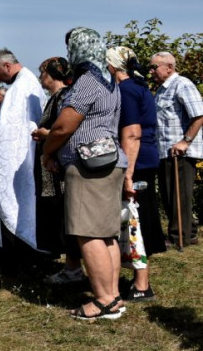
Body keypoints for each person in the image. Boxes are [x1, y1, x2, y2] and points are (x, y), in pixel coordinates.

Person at [44, 27, 127, 320]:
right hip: (110, 162)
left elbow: (64, 126)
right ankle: (113, 296)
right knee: (106, 234)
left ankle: (103, 300)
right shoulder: (109, 80)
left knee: (87, 233)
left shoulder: (87, 82)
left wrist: (47, 151)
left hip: (89, 166)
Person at [107, 46, 165, 301]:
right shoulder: (140, 86)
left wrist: (128, 174)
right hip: (146, 158)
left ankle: (142, 285)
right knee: (138, 218)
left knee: (135, 221)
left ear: (112, 66)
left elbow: (132, 133)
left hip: (137, 161)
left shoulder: (127, 90)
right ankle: (138, 279)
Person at [0, 48, 46, 272]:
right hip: (26, 155)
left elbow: (10, 129)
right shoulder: (25, 82)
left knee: (20, 204)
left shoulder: (21, 86)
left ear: (7, 66)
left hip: (20, 159)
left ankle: (23, 253)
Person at [30, 57, 80, 280]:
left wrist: (44, 135)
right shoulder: (54, 98)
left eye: (43, 73)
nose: (41, 78)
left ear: (51, 74)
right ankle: (66, 261)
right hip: (50, 165)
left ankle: (72, 265)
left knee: (62, 214)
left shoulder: (64, 97)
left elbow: (66, 130)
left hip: (57, 168)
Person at [150, 51, 203, 248]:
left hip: (180, 152)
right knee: (169, 194)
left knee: (178, 194)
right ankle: (188, 233)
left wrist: (185, 141)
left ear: (169, 67)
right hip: (165, 151)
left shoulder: (182, 84)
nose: (151, 71)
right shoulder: (163, 89)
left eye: (154, 67)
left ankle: (177, 236)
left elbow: (199, 115)